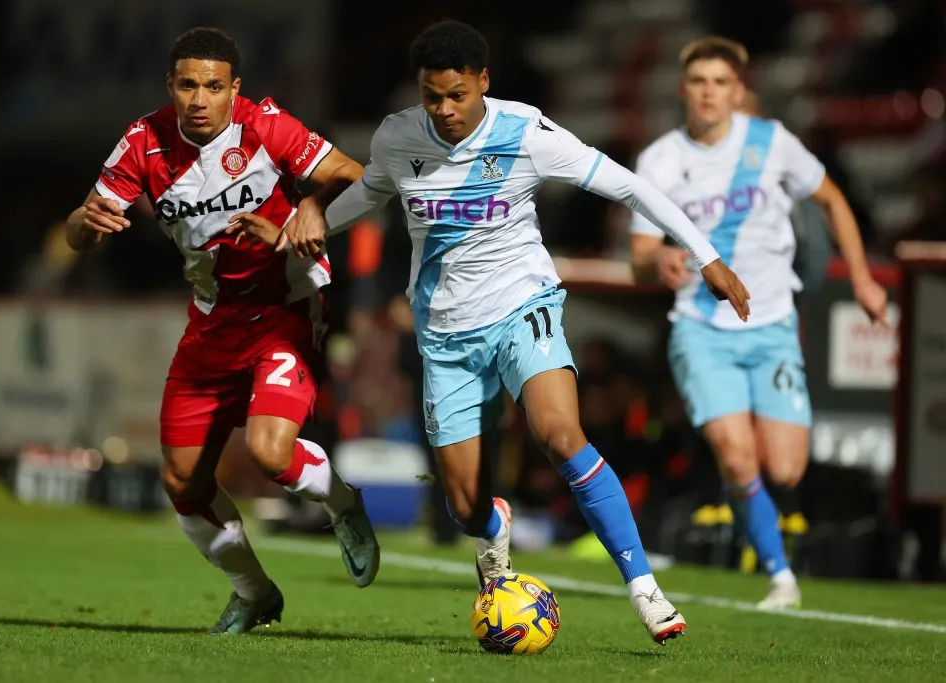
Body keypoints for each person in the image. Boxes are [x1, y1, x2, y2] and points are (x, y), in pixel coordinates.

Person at [268, 19, 752, 645]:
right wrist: (306, 229)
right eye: (431, 96)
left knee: (559, 434)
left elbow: (628, 186)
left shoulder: (526, 131)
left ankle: (645, 588)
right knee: (465, 503)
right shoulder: (397, 137)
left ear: (483, 83)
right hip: (445, 336)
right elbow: (370, 193)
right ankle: (492, 528)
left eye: (456, 95)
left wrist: (706, 255)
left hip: (524, 305)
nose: (443, 110)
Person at [64, 27, 380, 634]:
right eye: (188, 85)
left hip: (288, 305)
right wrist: (84, 219)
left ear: (235, 90)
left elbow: (352, 172)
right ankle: (255, 592)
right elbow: (82, 229)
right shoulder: (143, 143)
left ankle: (343, 503)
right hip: (212, 319)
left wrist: (311, 204)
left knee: (268, 453)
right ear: (171, 88)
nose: (200, 99)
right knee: (183, 481)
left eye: (214, 86)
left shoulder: (265, 127)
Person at [628, 36, 887, 610]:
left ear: (738, 90)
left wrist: (864, 278)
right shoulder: (661, 160)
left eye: (720, 83)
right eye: (699, 82)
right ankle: (780, 576)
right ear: (683, 90)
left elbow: (833, 200)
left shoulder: (772, 144)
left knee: (788, 469)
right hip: (701, 328)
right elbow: (640, 256)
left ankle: (745, 497)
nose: (709, 93)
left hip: (771, 326)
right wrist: (659, 260)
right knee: (738, 456)